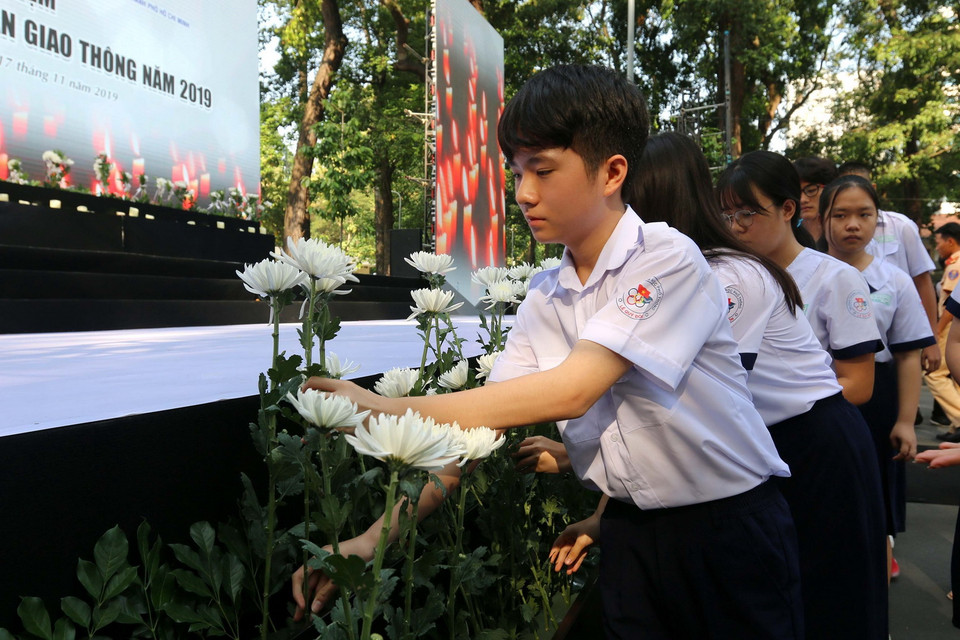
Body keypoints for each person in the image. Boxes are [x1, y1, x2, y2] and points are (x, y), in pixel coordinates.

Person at [303, 65, 804, 639]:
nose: (523, 193)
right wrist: (372, 538)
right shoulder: (546, 296)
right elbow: (477, 435)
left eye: (543, 170)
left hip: (728, 532)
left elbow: (574, 387)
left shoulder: (667, 258)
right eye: (516, 172)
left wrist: (382, 410)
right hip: (629, 533)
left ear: (613, 171)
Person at [551, 133, 887, 640]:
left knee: (828, 592)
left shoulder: (723, 274)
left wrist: (576, 464)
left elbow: (694, 405)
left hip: (812, 443)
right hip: (765, 441)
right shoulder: (686, 270)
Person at [819, 174, 935, 582]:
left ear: (877, 220)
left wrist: (905, 420)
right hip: (818, 391)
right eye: (841, 215)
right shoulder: (803, 272)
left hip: (878, 396)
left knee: (875, 483)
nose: (853, 224)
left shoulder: (894, 280)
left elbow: (906, 354)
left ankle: (878, 553)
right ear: (823, 220)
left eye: (864, 214)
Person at [837, 161, 941, 375]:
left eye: (861, 185)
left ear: (873, 189)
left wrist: (931, 338)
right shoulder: (832, 232)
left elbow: (922, 281)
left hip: (896, 342)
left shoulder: (901, 226)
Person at [926, 222, 960, 441]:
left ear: (950, 241)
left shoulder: (955, 266)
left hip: (950, 327)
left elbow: (951, 306)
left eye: (938, 242)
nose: (937, 247)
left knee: (934, 373)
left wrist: (936, 332)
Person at [792, 156, 838, 246]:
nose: (802, 200)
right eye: (796, 193)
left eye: (811, 190)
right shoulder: (790, 236)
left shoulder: (844, 233)